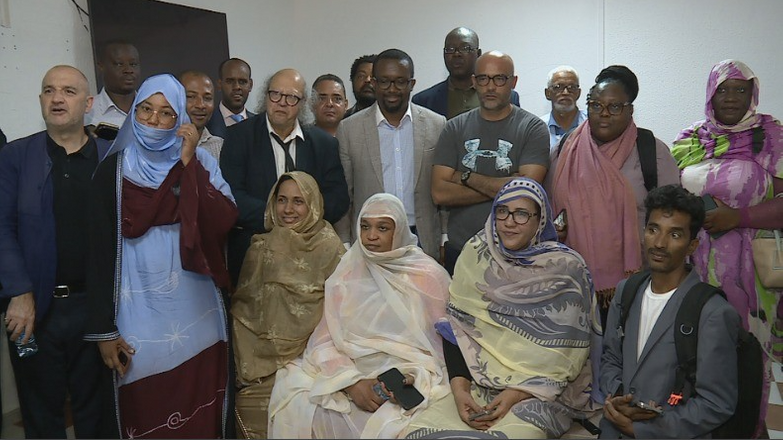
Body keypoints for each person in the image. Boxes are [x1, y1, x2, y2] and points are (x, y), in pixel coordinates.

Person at [84, 74, 238, 438]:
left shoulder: (200, 161)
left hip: (196, 307)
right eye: (146, 110)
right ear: (133, 113)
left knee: (201, 398)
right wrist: (104, 329)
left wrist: (188, 165)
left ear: (180, 118)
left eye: (166, 113)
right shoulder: (113, 171)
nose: (153, 121)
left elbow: (223, 221)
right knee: (146, 399)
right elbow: (96, 251)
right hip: (137, 310)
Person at [405, 178, 597, 439]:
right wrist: (460, 392)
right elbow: (457, 331)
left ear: (540, 219)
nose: (509, 221)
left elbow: (568, 356)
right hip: (475, 383)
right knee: (417, 433)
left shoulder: (566, 270)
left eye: (521, 214)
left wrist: (515, 394)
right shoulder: (476, 255)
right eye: (502, 211)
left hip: (542, 393)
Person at [268, 193, 451, 439]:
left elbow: (446, 346)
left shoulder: (428, 276)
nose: (371, 236)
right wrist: (352, 384)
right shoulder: (346, 274)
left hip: (409, 373)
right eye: (365, 227)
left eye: (382, 228)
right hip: (353, 370)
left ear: (399, 232)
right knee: (294, 396)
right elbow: (324, 340)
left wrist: (413, 378)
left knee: (399, 424)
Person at [0, 65, 115, 438]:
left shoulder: (110, 157)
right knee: (41, 414)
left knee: (97, 412)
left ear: (88, 103)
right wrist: (18, 292)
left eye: (68, 91)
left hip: (96, 308)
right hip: (34, 310)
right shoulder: (16, 157)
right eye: (49, 91)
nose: (57, 98)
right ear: (40, 101)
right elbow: (2, 227)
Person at [672, 59, 783, 432]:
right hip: (692, 265)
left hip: (750, 273)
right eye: (724, 89)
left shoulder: (771, 136)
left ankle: (747, 429)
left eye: (741, 89)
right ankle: (693, 427)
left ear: (753, 94)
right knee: (693, 351)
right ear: (710, 93)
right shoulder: (691, 139)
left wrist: (739, 218)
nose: (732, 97)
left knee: (746, 354)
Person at [599, 184, 741, 438]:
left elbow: (716, 404)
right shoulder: (626, 291)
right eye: (653, 230)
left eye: (675, 235)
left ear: (692, 245)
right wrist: (620, 398)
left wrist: (643, 429)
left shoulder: (712, 313)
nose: (660, 243)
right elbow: (611, 358)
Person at [549, 65, 680, 331]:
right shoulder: (565, 149)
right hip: (570, 285)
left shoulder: (651, 151)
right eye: (596, 105)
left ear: (630, 110)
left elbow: (674, 216)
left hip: (639, 283)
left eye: (615, 107)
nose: (604, 114)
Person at [231, 171, 345, 439]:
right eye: (282, 200)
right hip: (256, 365)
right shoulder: (259, 247)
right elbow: (243, 311)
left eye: (298, 201)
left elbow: (342, 314)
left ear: (313, 204)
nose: (288, 209)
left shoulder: (331, 248)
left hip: (311, 362)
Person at [220, 68, 349, 285]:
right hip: (254, 253)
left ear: (303, 102)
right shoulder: (238, 137)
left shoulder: (323, 144)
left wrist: (303, 219)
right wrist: (277, 216)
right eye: (275, 94)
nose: (281, 102)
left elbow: (338, 197)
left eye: (291, 97)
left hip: (310, 254)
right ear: (266, 95)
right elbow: (230, 194)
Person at [431, 51, 550, 274]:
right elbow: (440, 193)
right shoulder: (454, 128)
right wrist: (507, 185)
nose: (491, 87)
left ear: (513, 82)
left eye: (499, 79)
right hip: (462, 248)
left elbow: (526, 192)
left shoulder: (532, 128)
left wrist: (465, 177)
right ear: (474, 82)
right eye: (484, 79)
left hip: (516, 252)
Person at [336, 49, 447, 259]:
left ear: (412, 84)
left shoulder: (437, 124)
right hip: (371, 240)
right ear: (374, 83)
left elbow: (442, 190)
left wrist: (444, 235)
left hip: (422, 237)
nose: (392, 89)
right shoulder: (349, 130)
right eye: (385, 81)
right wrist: (345, 242)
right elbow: (346, 194)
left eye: (400, 82)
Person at [413, 27, 521, 119]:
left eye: (465, 48)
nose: (456, 54)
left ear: (478, 54)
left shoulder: (508, 97)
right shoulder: (424, 101)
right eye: (450, 49)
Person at [86, 40, 140, 128]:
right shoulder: (87, 113)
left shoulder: (152, 110)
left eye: (133, 64)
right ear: (101, 66)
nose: (128, 70)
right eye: (119, 64)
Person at [539, 65, 587, 151]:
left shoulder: (590, 123)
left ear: (578, 93)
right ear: (548, 93)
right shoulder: (538, 128)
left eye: (571, 87)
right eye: (558, 87)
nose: (565, 92)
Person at [206, 58, 255, 138]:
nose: (237, 87)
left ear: (250, 85)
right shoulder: (206, 124)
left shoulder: (262, 125)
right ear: (219, 84)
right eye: (230, 81)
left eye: (242, 82)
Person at [179, 70, 223, 159]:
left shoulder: (221, 147)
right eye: (191, 97)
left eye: (207, 98)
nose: (200, 105)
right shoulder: (161, 145)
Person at [343, 54, 376, 118]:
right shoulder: (342, 121)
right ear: (352, 80)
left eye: (373, 76)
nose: (368, 80)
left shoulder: (394, 119)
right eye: (361, 76)